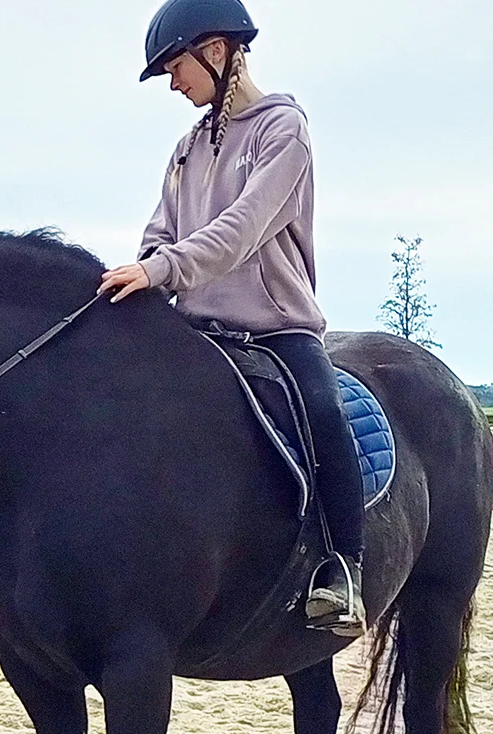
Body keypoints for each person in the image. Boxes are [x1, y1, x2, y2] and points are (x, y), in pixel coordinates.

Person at [98, 0, 365, 637]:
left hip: (277, 328)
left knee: (324, 412)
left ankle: (342, 568)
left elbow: (242, 229)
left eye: (175, 66)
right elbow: (160, 231)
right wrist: (146, 269)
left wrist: (164, 271)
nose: (171, 81)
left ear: (216, 51)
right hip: (197, 325)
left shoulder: (284, 130)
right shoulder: (187, 148)